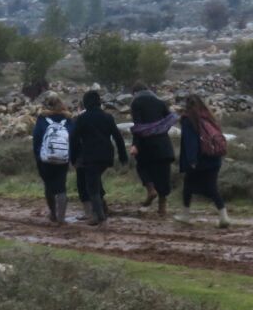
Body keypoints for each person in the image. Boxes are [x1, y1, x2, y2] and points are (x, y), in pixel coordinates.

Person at [69, 89, 128, 226]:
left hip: (90, 156)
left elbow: (73, 139)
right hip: (106, 156)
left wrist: (73, 158)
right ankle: (103, 209)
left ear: (85, 103)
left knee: (91, 187)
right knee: (95, 181)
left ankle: (98, 216)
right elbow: (118, 138)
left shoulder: (82, 118)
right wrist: (123, 158)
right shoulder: (108, 117)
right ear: (99, 102)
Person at [178, 94, 230, 228]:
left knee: (188, 186)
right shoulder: (209, 117)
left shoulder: (188, 120)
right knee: (212, 187)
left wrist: (192, 160)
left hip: (200, 160)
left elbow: (191, 142)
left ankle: (185, 215)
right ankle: (223, 216)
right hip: (214, 158)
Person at [129, 84, 177, 215]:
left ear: (135, 92)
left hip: (146, 143)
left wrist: (135, 145)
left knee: (142, 166)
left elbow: (139, 127)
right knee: (163, 172)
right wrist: (160, 128)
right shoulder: (160, 102)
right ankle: (162, 206)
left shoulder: (136, 102)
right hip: (163, 143)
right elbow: (170, 118)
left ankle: (151, 190)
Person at [31, 94, 74, 224]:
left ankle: (53, 214)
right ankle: (62, 217)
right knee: (61, 187)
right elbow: (73, 138)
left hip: (45, 159)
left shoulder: (42, 119)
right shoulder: (68, 119)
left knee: (49, 186)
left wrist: (38, 156)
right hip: (63, 158)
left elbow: (36, 138)